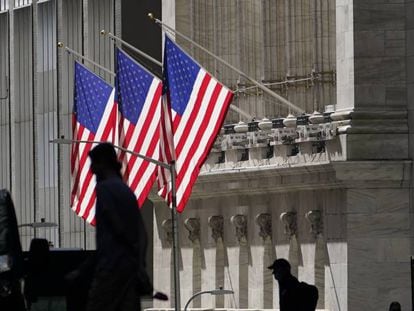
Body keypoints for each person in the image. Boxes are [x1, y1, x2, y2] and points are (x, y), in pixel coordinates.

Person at [85, 142, 149, 311]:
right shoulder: (127, 192)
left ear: (104, 163)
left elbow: (118, 227)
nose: (92, 170)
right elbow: (142, 233)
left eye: (94, 164)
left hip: (110, 272)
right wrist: (139, 264)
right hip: (130, 275)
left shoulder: (104, 189)